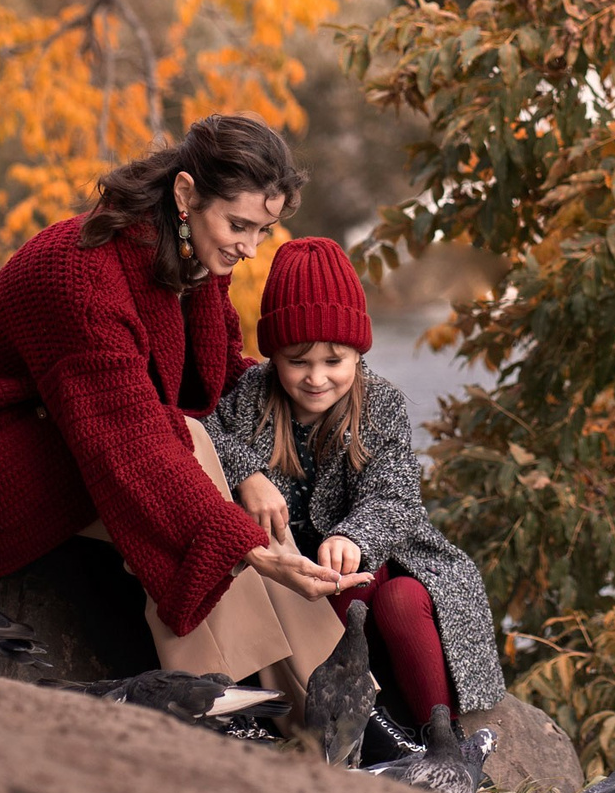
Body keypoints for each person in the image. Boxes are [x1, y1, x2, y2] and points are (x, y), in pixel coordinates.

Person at [0, 116, 362, 681]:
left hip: (73, 429)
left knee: (220, 471)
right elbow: (133, 441)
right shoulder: (80, 270)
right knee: (190, 450)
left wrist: (326, 407)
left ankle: (335, 695)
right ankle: (218, 692)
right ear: (186, 193)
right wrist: (251, 548)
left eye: (263, 231)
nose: (250, 248)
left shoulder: (190, 256)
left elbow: (223, 377)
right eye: (239, 225)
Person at [208, 237, 507, 745]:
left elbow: (393, 494)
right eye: (299, 360)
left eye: (334, 360)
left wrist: (354, 535)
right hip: (291, 575)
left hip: (371, 559)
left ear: (357, 352)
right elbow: (205, 430)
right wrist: (246, 473)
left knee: (398, 599)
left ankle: (442, 739)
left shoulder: (380, 403)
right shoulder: (252, 395)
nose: (317, 378)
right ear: (274, 354)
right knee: (347, 597)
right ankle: (361, 731)